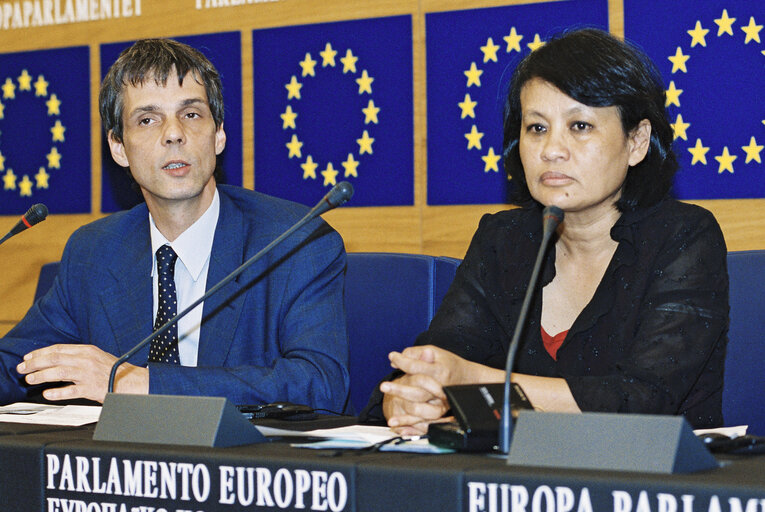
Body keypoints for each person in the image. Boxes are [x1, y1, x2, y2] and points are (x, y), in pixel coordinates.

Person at [368, 28, 728, 434]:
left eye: (580, 126)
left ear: (637, 141)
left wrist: (469, 382)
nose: (551, 149)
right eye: (536, 127)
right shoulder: (502, 240)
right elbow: (446, 354)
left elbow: (642, 401)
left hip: (651, 487)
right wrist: (410, 395)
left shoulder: (684, 238)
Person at [0, 39, 350, 412]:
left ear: (218, 135)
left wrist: (139, 383)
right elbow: (15, 368)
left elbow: (320, 384)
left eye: (191, 114)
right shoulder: (94, 252)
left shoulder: (295, 243)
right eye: (147, 119)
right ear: (119, 147)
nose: (173, 133)